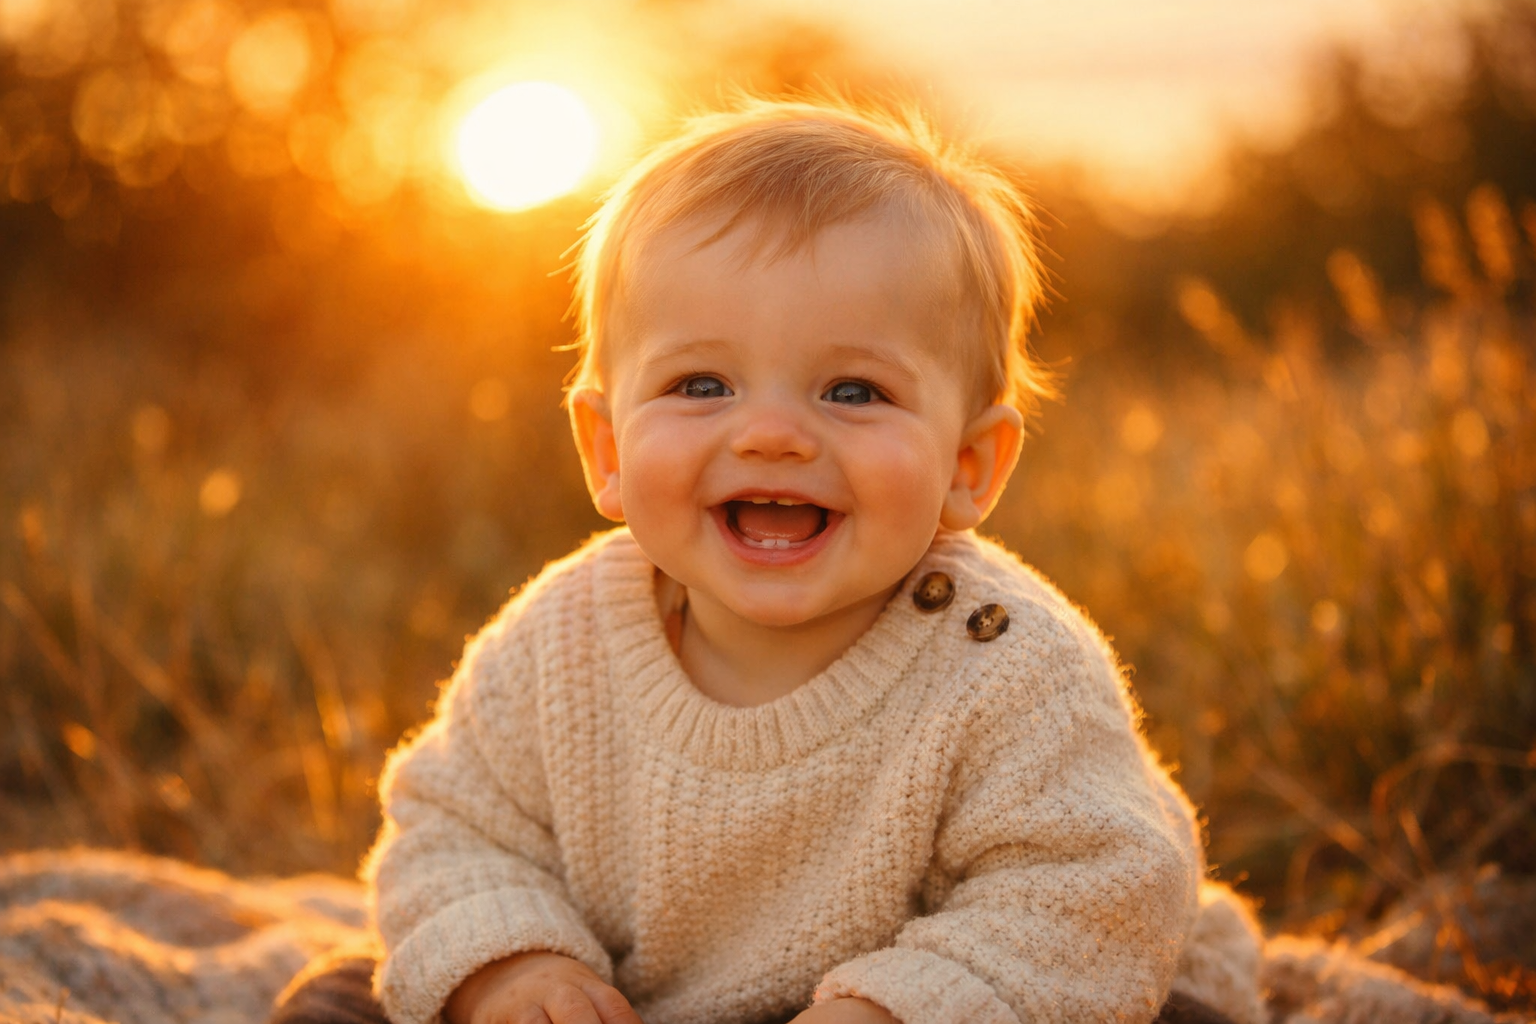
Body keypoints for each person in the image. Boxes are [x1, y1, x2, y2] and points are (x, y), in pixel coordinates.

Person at [272, 96, 1265, 1024]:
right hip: (646, 1000)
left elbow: (1098, 885)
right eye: (703, 382)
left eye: (854, 391)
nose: (775, 435)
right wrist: (517, 967)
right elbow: (456, 824)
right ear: (607, 452)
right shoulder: (562, 640)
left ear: (969, 466)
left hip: (960, 994)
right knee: (342, 997)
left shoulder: (1003, 661)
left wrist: (897, 1004)